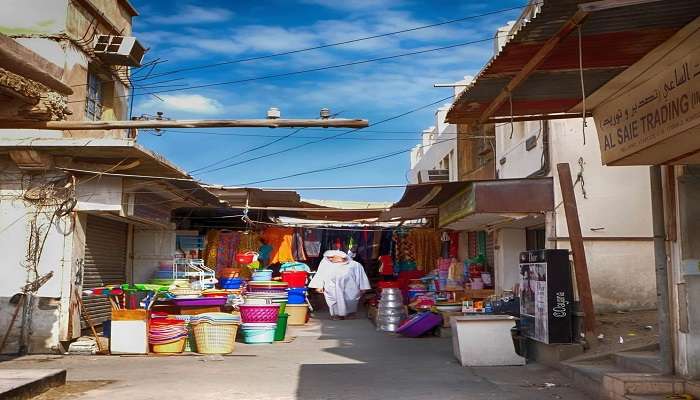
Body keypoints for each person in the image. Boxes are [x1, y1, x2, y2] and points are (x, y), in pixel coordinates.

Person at [308, 250, 371, 320]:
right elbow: (320, 275)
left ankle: (350, 314)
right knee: (334, 301)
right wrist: (319, 286)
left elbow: (361, 276)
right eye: (328, 258)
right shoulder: (325, 264)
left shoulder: (355, 265)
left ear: (341, 257)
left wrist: (363, 287)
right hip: (332, 287)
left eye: (332, 257)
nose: (330, 259)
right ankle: (336, 315)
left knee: (351, 300)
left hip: (351, 287)